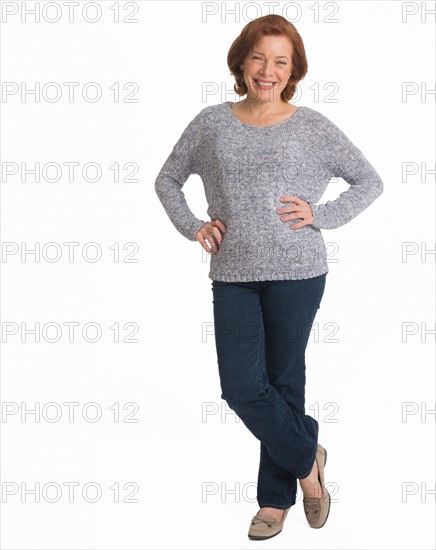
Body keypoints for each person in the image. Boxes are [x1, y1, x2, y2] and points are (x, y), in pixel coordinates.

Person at [155, 14, 383, 540]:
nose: (268, 70)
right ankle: (309, 460)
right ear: (241, 60)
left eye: (281, 61)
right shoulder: (211, 122)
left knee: (283, 383)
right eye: (259, 57)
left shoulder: (312, 125)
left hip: (299, 272)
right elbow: (167, 179)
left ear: (293, 69)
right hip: (233, 273)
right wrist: (193, 226)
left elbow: (368, 181)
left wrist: (320, 215)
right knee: (241, 387)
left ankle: (273, 503)